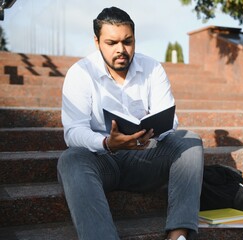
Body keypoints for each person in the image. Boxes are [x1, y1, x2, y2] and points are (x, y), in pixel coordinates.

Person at [57, 6, 204, 240]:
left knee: (190, 141)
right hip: (101, 161)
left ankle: (178, 235)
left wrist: (153, 132)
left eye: (127, 41)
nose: (121, 50)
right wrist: (106, 142)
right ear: (97, 42)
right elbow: (73, 132)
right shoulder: (80, 73)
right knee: (70, 159)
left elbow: (169, 118)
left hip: (145, 156)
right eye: (111, 42)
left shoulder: (152, 68)